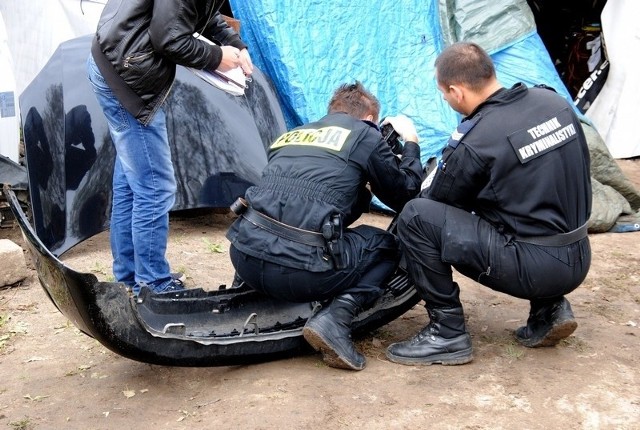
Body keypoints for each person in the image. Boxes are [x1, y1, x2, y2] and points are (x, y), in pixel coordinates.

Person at [386, 42, 592, 366]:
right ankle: (549, 309)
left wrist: (414, 152)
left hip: (535, 268)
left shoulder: (476, 138)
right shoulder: (553, 102)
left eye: (443, 94)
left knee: (417, 218)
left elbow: (438, 202)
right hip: (578, 255)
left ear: (457, 92)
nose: (446, 99)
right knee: (526, 197)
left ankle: (447, 332)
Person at [226, 82, 423, 370]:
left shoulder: (292, 135)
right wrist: (412, 145)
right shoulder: (365, 134)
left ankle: (244, 290)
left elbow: (308, 206)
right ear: (369, 119)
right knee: (385, 245)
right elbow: (405, 195)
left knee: (278, 217)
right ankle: (336, 319)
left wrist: (361, 189)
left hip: (244, 259)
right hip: (303, 275)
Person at [86, 0, 253, 295]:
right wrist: (216, 57)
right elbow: (169, 39)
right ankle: (154, 285)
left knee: (130, 181)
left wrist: (236, 45)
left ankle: (128, 277)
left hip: (114, 60)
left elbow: (203, 12)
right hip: (128, 74)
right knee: (154, 186)